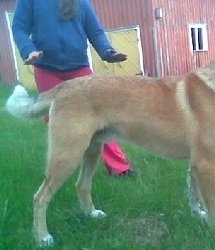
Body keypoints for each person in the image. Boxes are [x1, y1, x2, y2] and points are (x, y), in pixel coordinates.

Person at [12, 0, 134, 177]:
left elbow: (95, 31)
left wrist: (107, 52)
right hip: (47, 70)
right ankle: (61, 168)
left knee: (101, 117)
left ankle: (119, 168)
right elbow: (19, 27)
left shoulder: (81, 2)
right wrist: (28, 49)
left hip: (80, 70)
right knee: (57, 121)